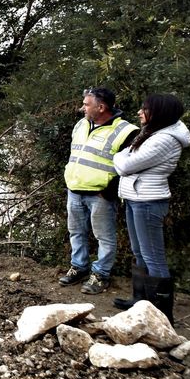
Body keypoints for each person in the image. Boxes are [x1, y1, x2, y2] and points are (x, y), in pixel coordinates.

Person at [112, 94, 190, 321]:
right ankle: (141, 302)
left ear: (159, 113)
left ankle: (160, 315)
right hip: (135, 198)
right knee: (139, 253)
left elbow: (125, 164)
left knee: (153, 256)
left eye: (144, 109)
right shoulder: (152, 134)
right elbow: (127, 160)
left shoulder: (164, 139)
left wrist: (119, 156)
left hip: (148, 201)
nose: (139, 112)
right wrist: (123, 158)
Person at [59, 87, 138, 294]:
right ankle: (79, 267)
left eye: (86, 104)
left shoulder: (126, 131)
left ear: (101, 107)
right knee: (76, 232)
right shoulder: (81, 124)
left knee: (104, 237)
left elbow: (133, 165)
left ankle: (101, 275)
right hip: (74, 189)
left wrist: (110, 190)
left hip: (100, 195)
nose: (81, 108)